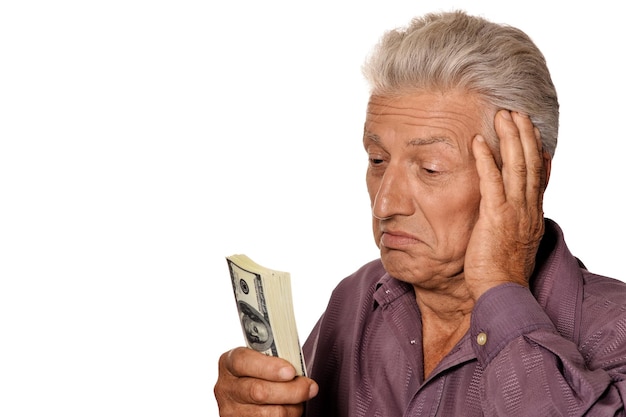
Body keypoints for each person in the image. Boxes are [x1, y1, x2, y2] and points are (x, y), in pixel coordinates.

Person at [214, 10, 626, 416]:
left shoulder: (614, 333)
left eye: (430, 168)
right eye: (377, 160)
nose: (385, 205)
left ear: (529, 174)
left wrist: (500, 288)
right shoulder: (358, 300)